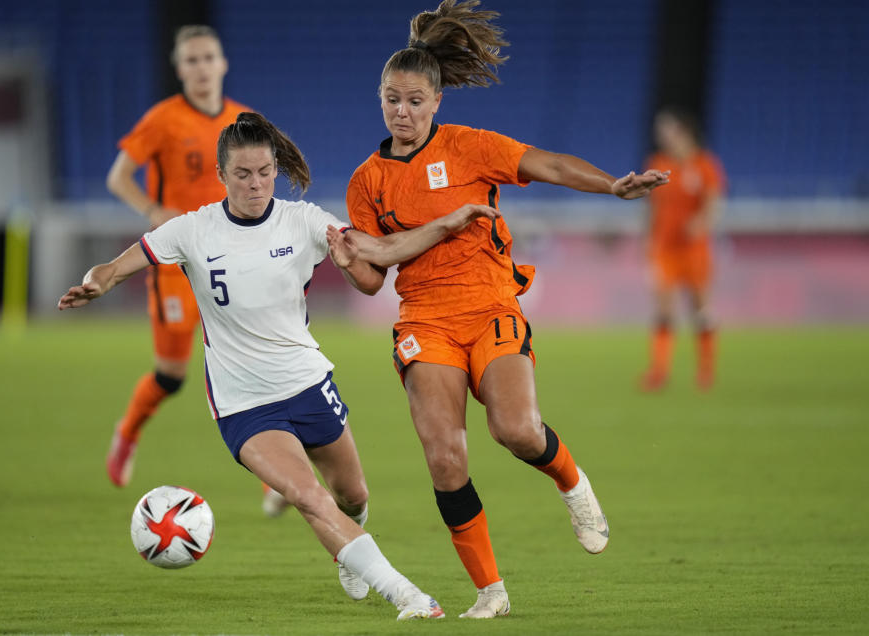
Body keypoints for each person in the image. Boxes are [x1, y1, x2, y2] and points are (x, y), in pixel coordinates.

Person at [60, 112, 500, 619]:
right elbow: (117, 265)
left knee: (351, 495)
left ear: (276, 169)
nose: (256, 184)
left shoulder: (305, 221)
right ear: (222, 175)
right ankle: (406, 594)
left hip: (307, 382)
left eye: (265, 171)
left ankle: (348, 549)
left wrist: (443, 225)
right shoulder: (192, 230)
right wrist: (98, 282)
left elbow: (380, 253)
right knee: (308, 496)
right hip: (243, 403)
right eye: (243, 174)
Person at [330, 0, 668, 619]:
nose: (400, 112)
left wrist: (612, 186)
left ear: (436, 102)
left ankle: (572, 482)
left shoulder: (471, 147)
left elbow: (550, 164)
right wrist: (348, 258)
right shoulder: (367, 180)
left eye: (412, 101)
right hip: (424, 320)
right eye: (390, 99)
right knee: (445, 456)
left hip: (489, 306)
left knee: (516, 430)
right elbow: (373, 281)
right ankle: (491, 590)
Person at [103, 25, 252, 490]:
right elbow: (118, 176)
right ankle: (126, 434)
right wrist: (152, 210)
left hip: (231, 263)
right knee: (171, 376)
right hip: (173, 264)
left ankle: (274, 478)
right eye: (192, 60)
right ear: (179, 68)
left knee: (252, 364)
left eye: (209, 57)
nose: (202, 67)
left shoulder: (243, 121)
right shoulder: (164, 119)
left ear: (223, 63)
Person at [639, 106, 726, 391]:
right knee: (664, 310)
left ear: (683, 132)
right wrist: (648, 239)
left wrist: (700, 223)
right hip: (665, 249)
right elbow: (651, 207)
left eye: (666, 129)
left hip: (695, 250)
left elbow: (713, 204)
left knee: (700, 309)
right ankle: (659, 372)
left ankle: (706, 372)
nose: (662, 135)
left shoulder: (705, 166)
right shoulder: (657, 163)